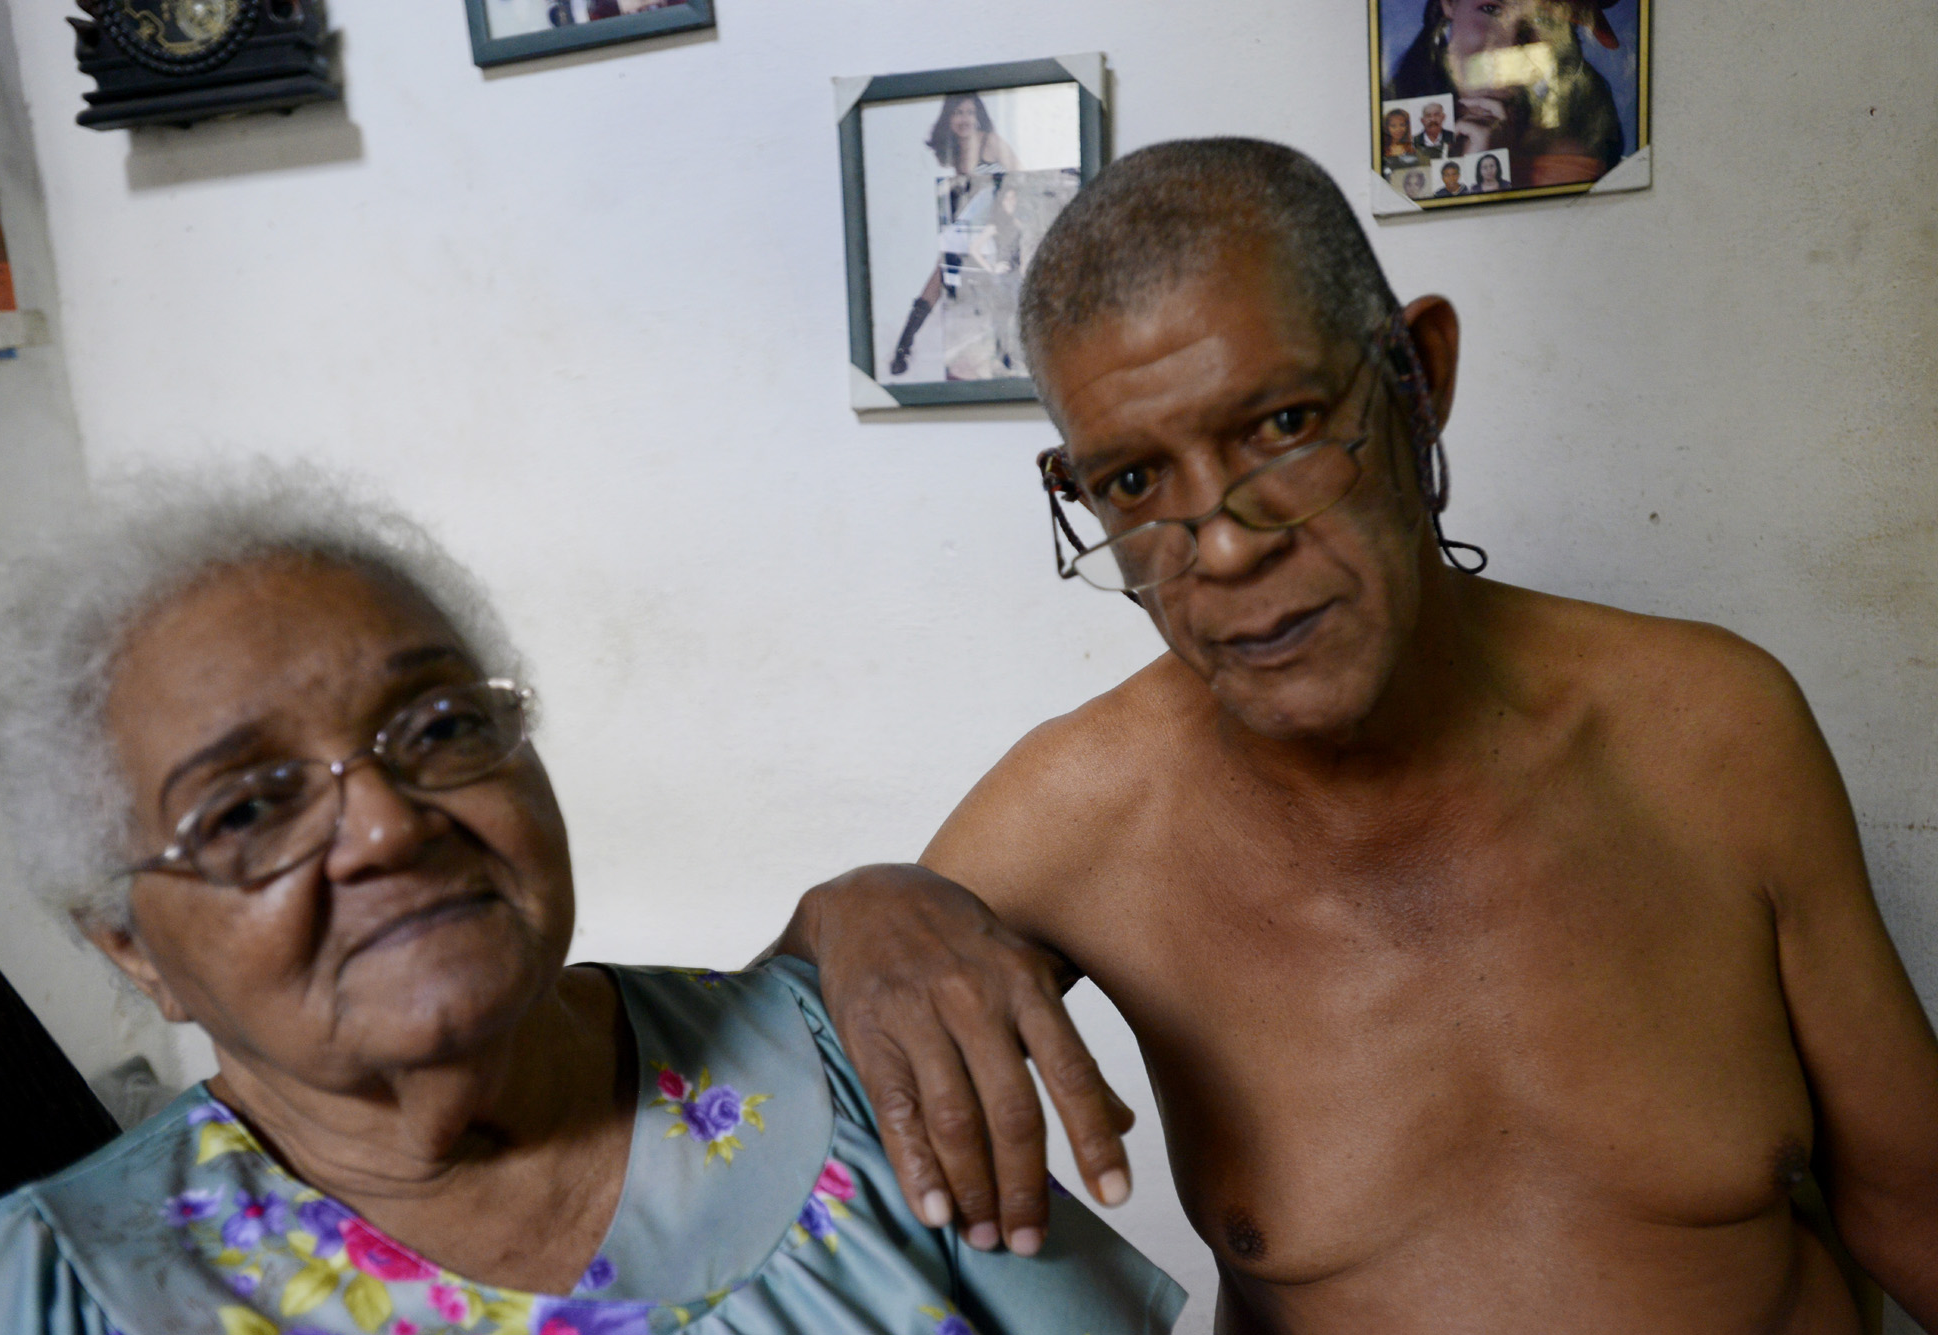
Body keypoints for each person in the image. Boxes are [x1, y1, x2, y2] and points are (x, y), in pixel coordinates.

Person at [775, 139, 1938, 1333]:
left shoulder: (1710, 731)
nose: (1221, 547)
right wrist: (844, 908)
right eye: (1132, 483)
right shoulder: (1078, 821)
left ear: (1414, 378)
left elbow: (1912, 1204)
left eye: (1281, 422)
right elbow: (719, 1114)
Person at [0, 467, 1185, 1335]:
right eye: (249, 810)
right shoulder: (54, 1294)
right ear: (129, 947)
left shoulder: (844, 1070)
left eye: (435, 726)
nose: (384, 823)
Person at [1385, 0, 1625, 187]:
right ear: (1449, 3)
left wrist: (1488, 171)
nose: (1508, 44)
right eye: (1490, 9)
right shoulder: (1384, 134)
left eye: (1541, 17)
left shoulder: (1573, 160)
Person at [888, 94, 1023, 379]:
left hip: (1001, 220)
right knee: (941, 273)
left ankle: (1006, 352)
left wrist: (1005, 216)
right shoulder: (955, 151)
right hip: (971, 219)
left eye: (970, 112)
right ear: (948, 119)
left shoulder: (991, 143)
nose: (964, 119)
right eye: (958, 113)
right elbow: (963, 194)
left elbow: (1021, 177)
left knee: (1000, 280)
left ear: (979, 117)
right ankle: (904, 345)